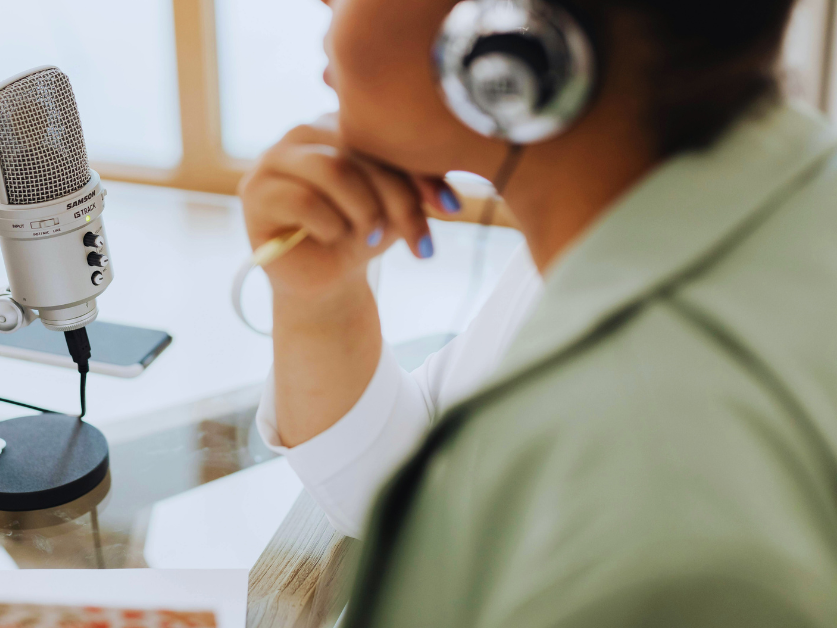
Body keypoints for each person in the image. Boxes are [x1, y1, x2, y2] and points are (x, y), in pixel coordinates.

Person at [241, 0, 837, 625]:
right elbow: (434, 494)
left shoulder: (655, 470)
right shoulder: (683, 203)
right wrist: (319, 301)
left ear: (507, 37)